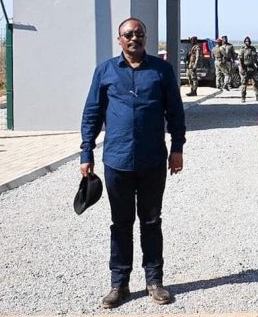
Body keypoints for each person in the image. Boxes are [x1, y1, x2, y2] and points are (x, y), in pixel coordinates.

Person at [80, 18, 186, 309]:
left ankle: (154, 281)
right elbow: (92, 113)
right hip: (117, 161)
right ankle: (119, 284)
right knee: (121, 224)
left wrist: (177, 148)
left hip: (152, 160)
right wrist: (85, 152)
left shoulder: (161, 70)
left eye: (139, 33)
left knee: (151, 222)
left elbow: (175, 112)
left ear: (146, 38)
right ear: (120, 39)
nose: (134, 38)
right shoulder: (105, 71)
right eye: (128, 34)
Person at [238, 36, 258, 102]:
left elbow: (255, 59)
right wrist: (242, 69)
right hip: (246, 68)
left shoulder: (253, 49)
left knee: (255, 83)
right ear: (244, 42)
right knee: (244, 84)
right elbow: (240, 60)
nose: (247, 42)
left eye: (248, 41)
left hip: (253, 68)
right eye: (246, 41)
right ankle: (243, 97)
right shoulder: (242, 50)